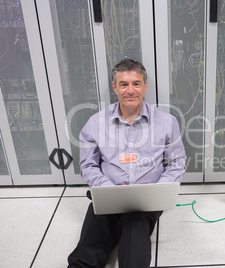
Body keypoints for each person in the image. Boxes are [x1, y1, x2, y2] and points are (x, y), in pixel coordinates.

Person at [68, 59, 186, 268]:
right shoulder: (95, 123)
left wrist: (158, 192)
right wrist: (107, 190)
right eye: (124, 84)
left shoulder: (167, 122)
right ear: (115, 87)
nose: (130, 90)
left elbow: (177, 162)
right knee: (94, 235)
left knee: (135, 230)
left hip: (146, 199)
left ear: (145, 86)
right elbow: (88, 165)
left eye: (136, 84)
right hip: (108, 192)